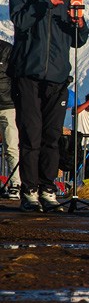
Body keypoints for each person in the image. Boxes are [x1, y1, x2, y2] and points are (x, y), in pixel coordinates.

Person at [7, 0, 89, 212]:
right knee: (30, 135)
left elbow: (79, 41)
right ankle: (28, 191)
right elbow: (19, 22)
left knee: (52, 136)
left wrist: (78, 23)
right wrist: (44, 2)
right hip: (28, 75)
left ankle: (48, 188)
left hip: (57, 77)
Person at [0, 39, 20, 198]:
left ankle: (16, 184)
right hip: (8, 102)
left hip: (7, 104)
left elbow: (17, 75)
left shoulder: (7, 49)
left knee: (11, 145)